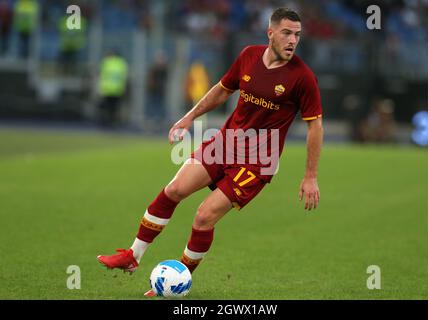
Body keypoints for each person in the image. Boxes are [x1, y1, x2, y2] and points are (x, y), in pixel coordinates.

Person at [97, 8, 323, 296]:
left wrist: (310, 176)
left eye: (297, 35)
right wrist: (188, 117)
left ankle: (178, 280)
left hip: (257, 163)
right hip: (225, 144)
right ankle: (133, 256)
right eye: (287, 33)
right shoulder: (248, 56)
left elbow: (315, 127)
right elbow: (221, 89)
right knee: (174, 189)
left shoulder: (302, 77)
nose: (293, 40)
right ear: (270, 33)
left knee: (204, 217)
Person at [97, 50, 129, 127]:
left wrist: (100, 87)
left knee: (109, 107)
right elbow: (124, 76)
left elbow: (101, 75)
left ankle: (107, 122)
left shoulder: (106, 62)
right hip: (116, 89)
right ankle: (112, 122)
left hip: (108, 89)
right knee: (113, 107)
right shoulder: (121, 63)